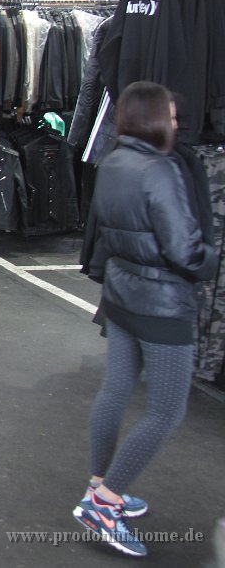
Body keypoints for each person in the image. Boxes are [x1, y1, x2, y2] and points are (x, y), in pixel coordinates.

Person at [75, 82, 217, 558]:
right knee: (167, 410)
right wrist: (209, 258)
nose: (176, 124)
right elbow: (183, 249)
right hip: (162, 306)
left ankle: (99, 484)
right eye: (171, 117)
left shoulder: (113, 161)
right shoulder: (160, 170)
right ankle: (106, 500)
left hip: (122, 295)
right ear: (152, 118)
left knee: (115, 391)